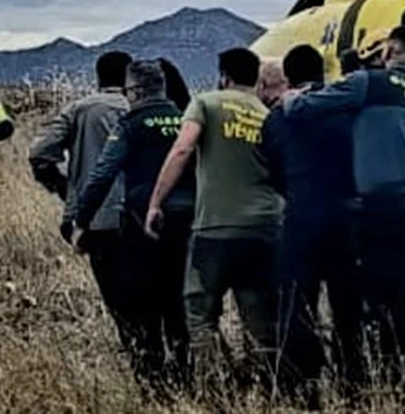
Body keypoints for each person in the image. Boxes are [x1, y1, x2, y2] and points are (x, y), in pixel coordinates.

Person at [282, 25, 405, 411]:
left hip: (387, 210)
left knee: (386, 301)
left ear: (388, 52)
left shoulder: (369, 83)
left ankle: (404, 383)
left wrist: (292, 95)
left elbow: (302, 108)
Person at [146, 47, 285, 402]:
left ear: (223, 75)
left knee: (201, 315)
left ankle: (215, 394)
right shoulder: (268, 114)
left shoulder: (206, 103)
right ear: (256, 78)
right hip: (266, 226)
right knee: (261, 319)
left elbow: (182, 149)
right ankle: (267, 392)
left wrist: (156, 202)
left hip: (215, 228)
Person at [72, 60, 195, 403]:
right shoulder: (187, 119)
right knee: (178, 305)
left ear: (136, 91)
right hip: (188, 225)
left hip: (145, 226)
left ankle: (157, 388)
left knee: (147, 306)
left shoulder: (130, 124)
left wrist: (82, 221)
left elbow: (102, 174)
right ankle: (188, 375)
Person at [261, 44, 366, 405]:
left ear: (288, 78)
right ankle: (356, 385)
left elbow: (272, 170)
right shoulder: (350, 111)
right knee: (349, 310)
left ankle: (301, 388)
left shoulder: (277, 119)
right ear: (324, 72)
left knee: (296, 308)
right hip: (349, 217)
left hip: (303, 217)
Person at [28, 51, 132, 345]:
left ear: (99, 77)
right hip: (144, 216)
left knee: (117, 301)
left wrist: (65, 187)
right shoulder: (141, 109)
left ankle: (137, 355)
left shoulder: (79, 109)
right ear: (130, 78)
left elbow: (39, 151)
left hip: (97, 220)